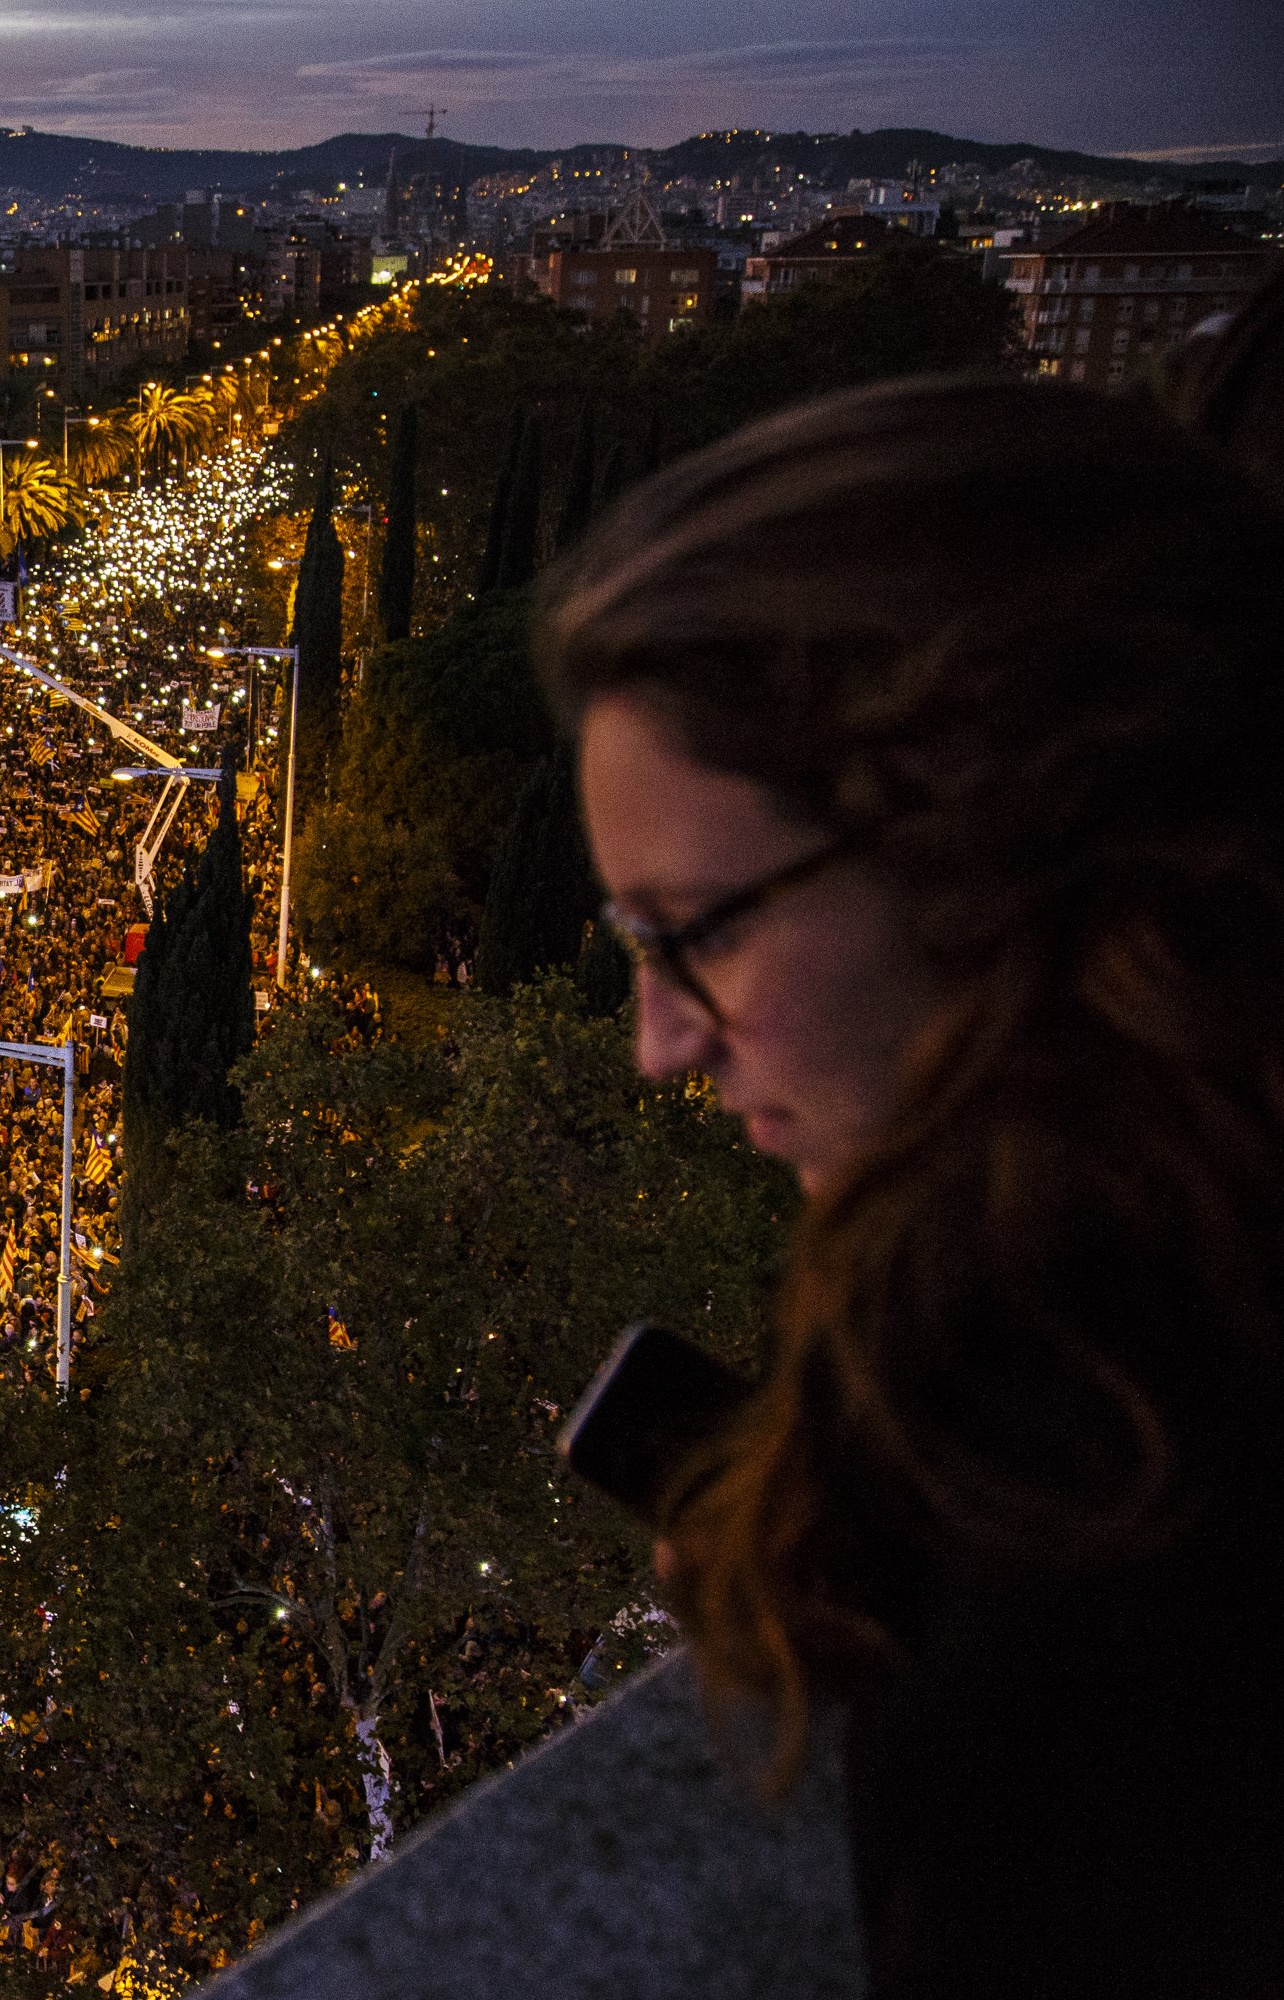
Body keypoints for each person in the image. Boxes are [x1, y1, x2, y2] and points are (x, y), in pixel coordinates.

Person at [541, 375, 1284, 1995]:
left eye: (703, 933)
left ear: (986, 846)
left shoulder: (1094, 1591)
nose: (660, 1045)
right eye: (633, 946)